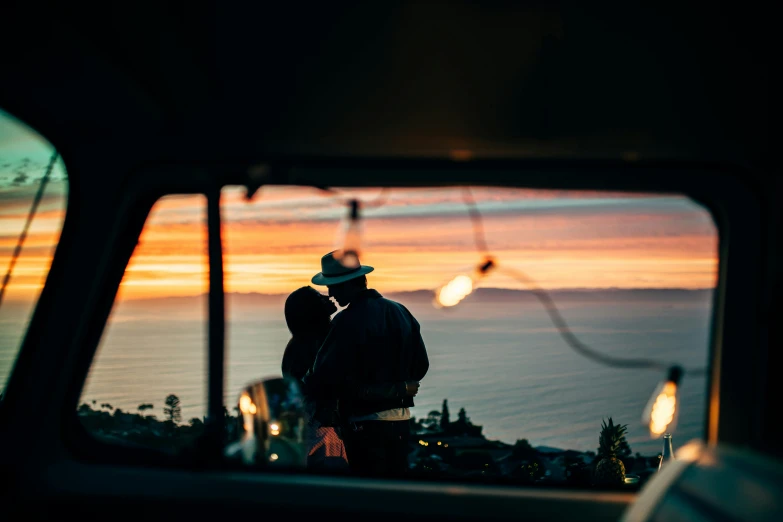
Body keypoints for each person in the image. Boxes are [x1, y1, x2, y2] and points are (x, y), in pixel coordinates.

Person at [303, 251, 430, 477]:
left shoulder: (346, 320)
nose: (330, 293)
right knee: (393, 487)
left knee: (367, 488)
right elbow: (421, 367)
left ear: (347, 284)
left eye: (333, 285)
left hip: (363, 423)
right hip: (401, 420)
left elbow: (324, 377)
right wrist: (397, 386)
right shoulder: (400, 311)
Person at [282, 286, 418, 471]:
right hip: (323, 431)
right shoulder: (313, 345)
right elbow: (339, 387)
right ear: (310, 310)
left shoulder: (315, 340)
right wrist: (399, 389)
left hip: (322, 428)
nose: (327, 297)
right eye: (319, 297)